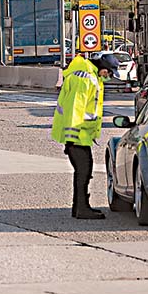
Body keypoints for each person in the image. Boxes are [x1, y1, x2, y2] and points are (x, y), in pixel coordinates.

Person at [51, 52, 118, 219]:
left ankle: (79, 207)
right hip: (77, 136)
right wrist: (71, 139)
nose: (108, 77)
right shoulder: (84, 78)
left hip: (82, 136)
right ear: (103, 67)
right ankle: (82, 209)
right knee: (83, 171)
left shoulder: (91, 76)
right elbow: (75, 108)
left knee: (84, 170)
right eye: (109, 73)